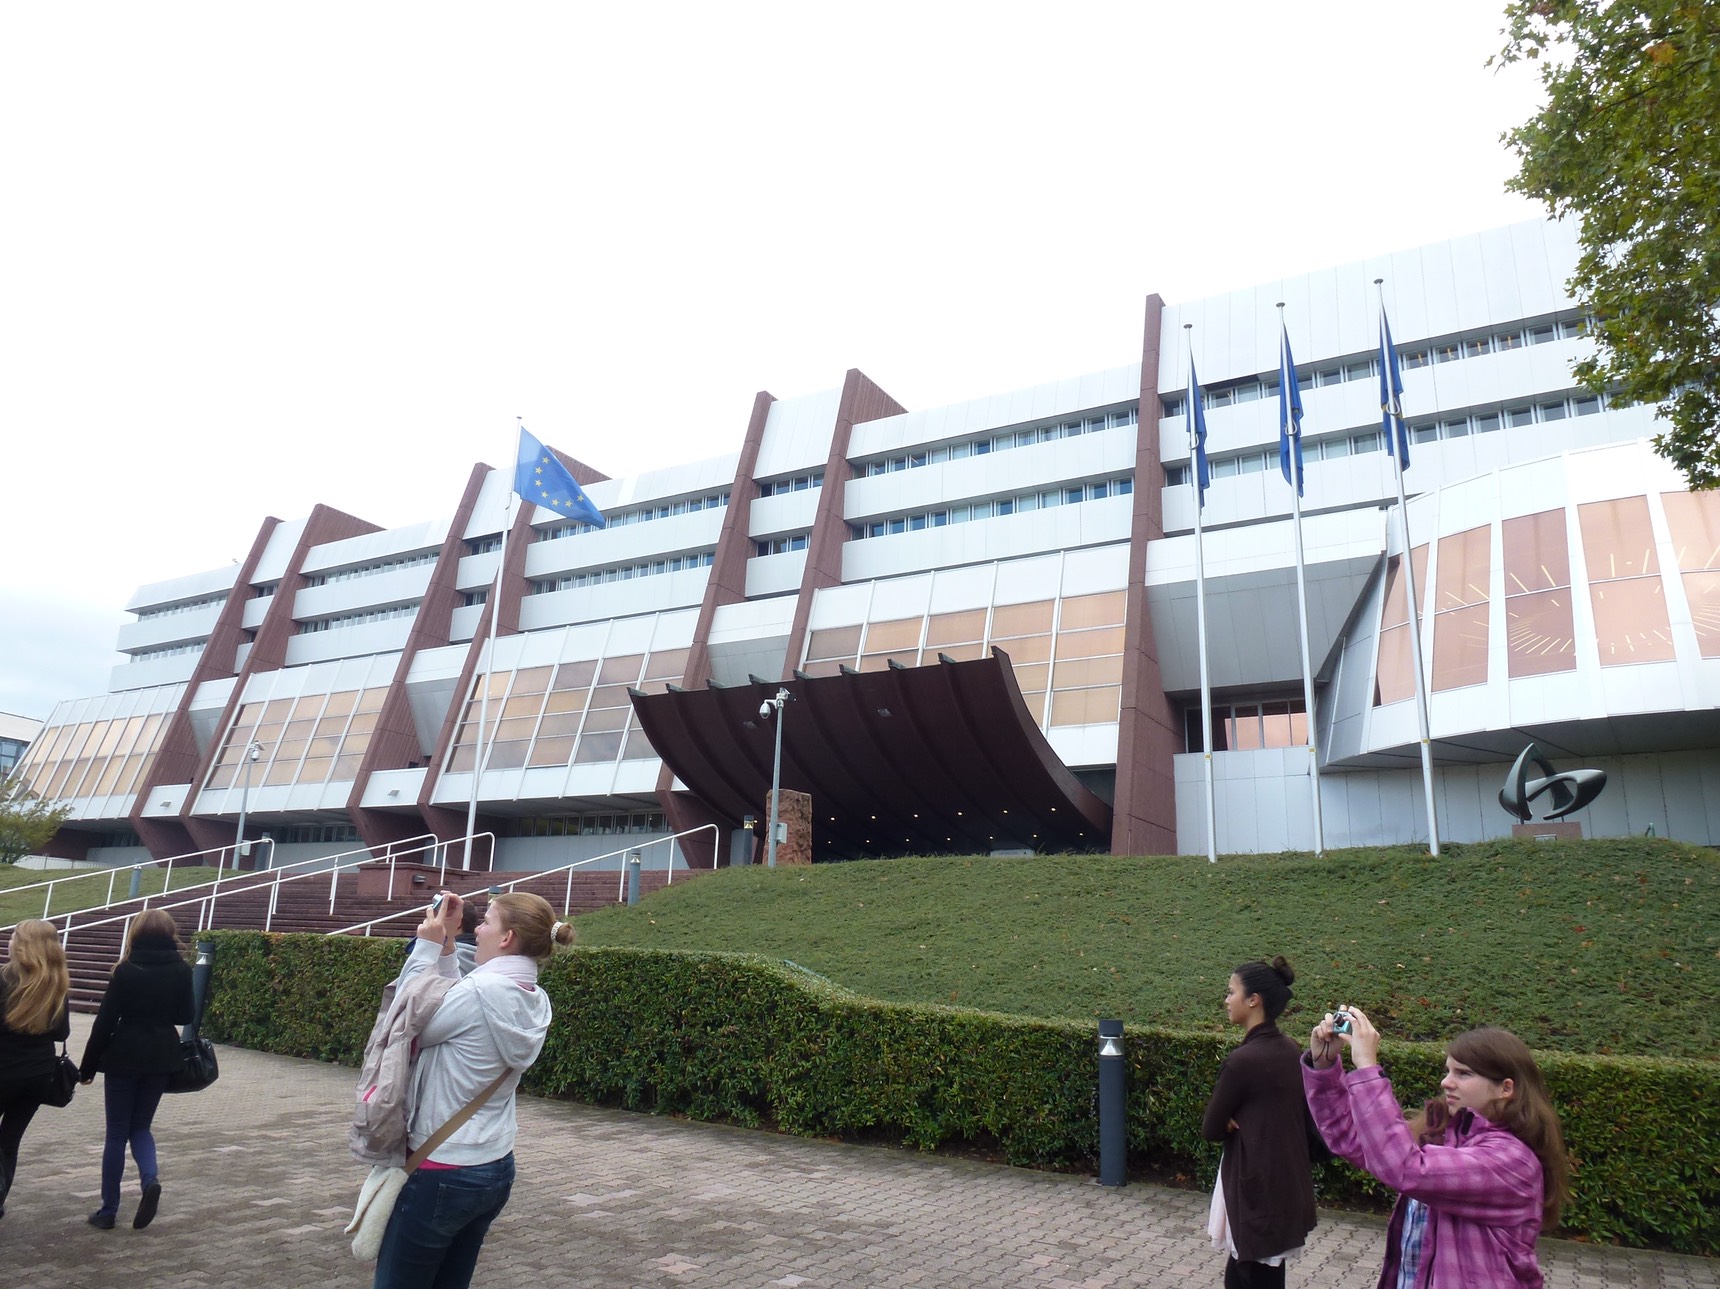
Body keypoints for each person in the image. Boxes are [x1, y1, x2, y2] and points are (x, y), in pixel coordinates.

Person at [372, 889, 571, 1289]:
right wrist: (448, 950)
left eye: (486, 923)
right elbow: (456, 1007)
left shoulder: (478, 994)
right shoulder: (533, 997)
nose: (476, 930)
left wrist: (426, 950)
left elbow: (401, 1024)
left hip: (442, 1169)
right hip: (494, 1165)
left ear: (506, 938)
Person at [1303, 1005, 1570, 1289]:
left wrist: (1368, 1068)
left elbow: (1405, 1168)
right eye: (1448, 1071)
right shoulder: (1445, 1137)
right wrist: (1324, 1065)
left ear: (1506, 1088)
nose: (1446, 1082)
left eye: (1463, 1074)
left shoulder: (1511, 1160)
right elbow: (1352, 1138)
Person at [1201, 957, 1317, 1288]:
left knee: (1245, 1274)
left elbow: (1210, 1128)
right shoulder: (1291, 1049)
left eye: (1231, 992)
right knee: (1269, 1273)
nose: (1226, 1000)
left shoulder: (1243, 1061)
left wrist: (1227, 1121)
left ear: (1253, 1000)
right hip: (1286, 1182)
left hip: (1252, 1188)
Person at [78, 908, 194, 1230]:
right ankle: (150, 1180)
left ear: (136, 933)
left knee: (116, 1133)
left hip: (124, 1055)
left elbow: (104, 1022)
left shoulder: (125, 970)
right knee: (141, 1127)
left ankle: (108, 1211)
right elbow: (185, 1016)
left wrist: (87, 1067)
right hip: (161, 1056)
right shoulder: (182, 970)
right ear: (170, 934)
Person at [0, 920, 72, 1221]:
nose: (9, 941)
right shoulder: (57, 983)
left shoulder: (3, 978)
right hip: (39, 1075)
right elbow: (62, 1032)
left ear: (22, 945)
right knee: (10, 1140)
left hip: (4, 1070)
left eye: (13, 936)